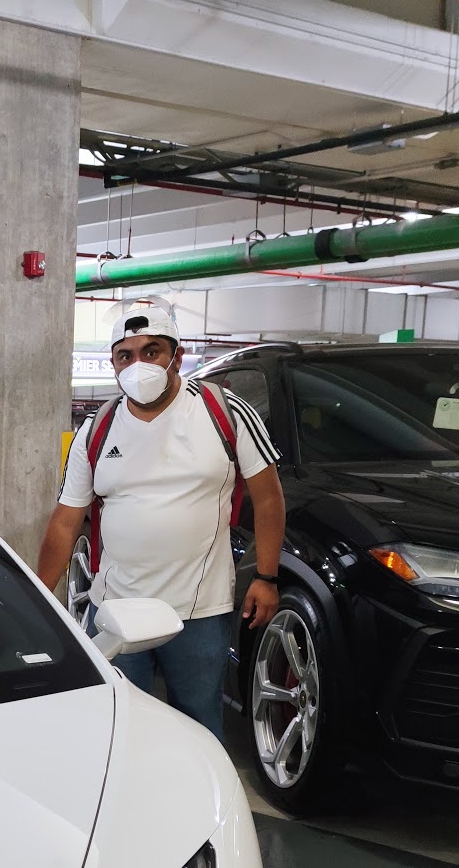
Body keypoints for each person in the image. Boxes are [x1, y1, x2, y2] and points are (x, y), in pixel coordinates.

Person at [37, 301, 286, 740]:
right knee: (115, 727)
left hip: (198, 612)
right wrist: (39, 598)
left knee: (197, 728)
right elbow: (65, 521)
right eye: (125, 356)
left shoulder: (224, 412)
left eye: (151, 351)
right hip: (115, 610)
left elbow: (269, 499)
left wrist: (267, 577)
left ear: (178, 355)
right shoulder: (97, 429)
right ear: (113, 364)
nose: (138, 365)